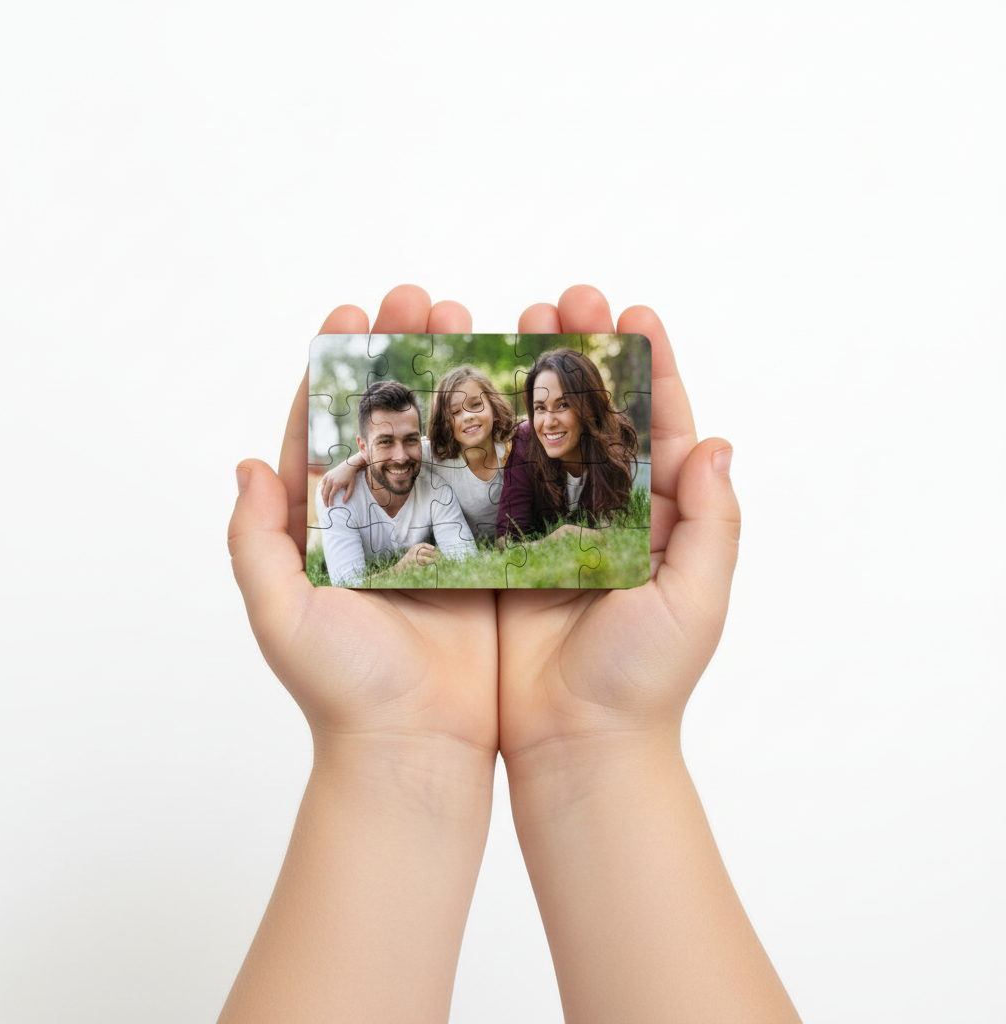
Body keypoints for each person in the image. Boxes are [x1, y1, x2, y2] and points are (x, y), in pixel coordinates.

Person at [223, 285, 801, 1023]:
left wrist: (601, 738)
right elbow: (440, 494)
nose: (544, 418)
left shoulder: (549, 450)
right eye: (539, 404)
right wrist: (391, 741)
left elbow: (477, 534)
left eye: (559, 405)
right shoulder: (417, 475)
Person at [318, 364, 517, 542]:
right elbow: (392, 451)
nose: (468, 417)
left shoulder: (512, 448)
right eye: (455, 412)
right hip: (463, 538)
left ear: (494, 408)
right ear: (443, 422)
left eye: (476, 405)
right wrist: (350, 464)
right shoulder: (437, 454)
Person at [313, 378, 476, 585]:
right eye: (385, 442)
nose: (401, 457)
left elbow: (467, 562)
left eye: (410, 440)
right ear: (362, 448)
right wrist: (400, 570)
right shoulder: (334, 495)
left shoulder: (437, 489)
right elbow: (348, 586)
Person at [496, 347, 639, 543]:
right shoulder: (524, 441)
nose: (548, 422)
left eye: (563, 405)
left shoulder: (613, 438)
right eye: (540, 408)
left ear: (589, 405)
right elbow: (506, 541)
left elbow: (617, 530)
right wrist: (562, 536)